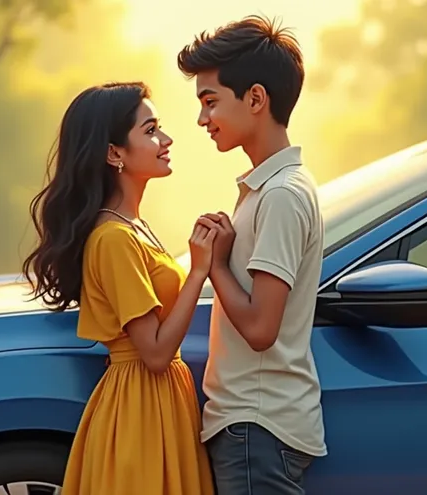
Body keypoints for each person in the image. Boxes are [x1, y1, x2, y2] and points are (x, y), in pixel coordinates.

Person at [22, 81, 215, 495]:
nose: (166, 139)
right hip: (140, 407)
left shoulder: (134, 227)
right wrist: (198, 272)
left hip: (159, 400)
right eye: (150, 131)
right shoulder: (114, 239)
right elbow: (157, 353)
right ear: (114, 154)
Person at [177, 15, 327, 494]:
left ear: (256, 99)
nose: (202, 119)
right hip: (253, 425)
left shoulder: (281, 194)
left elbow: (262, 328)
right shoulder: (268, 189)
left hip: (257, 427)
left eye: (210, 101)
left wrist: (214, 265)